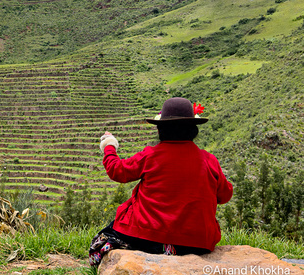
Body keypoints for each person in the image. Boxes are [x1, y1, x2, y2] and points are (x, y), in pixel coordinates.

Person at [89, 97, 233, 266]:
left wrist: (109, 145)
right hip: (197, 243)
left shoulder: (150, 156)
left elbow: (117, 171)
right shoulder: (209, 160)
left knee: (99, 244)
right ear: (193, 130)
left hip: (149, 239)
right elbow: (225, 195)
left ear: (160, 130)